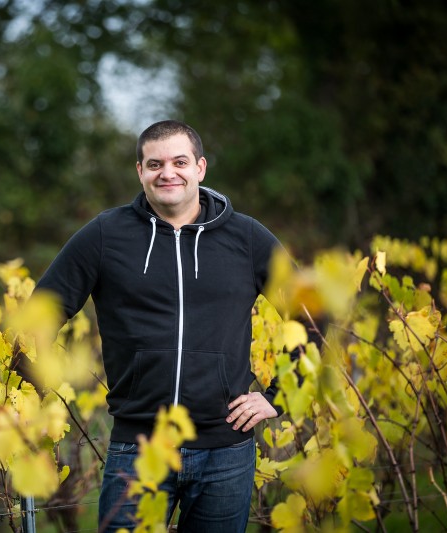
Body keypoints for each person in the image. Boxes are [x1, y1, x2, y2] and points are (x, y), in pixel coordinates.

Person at [36, 120, 284, 532]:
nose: (167, 172)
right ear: (140, 172)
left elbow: (313, 319)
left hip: (226, 450)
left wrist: (280, 397)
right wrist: (34, 390)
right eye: (155, 164)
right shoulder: (105, 235)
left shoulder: (247, 238)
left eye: (179, 161)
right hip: (138, 448)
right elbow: (41, 313)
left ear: (200, 168)